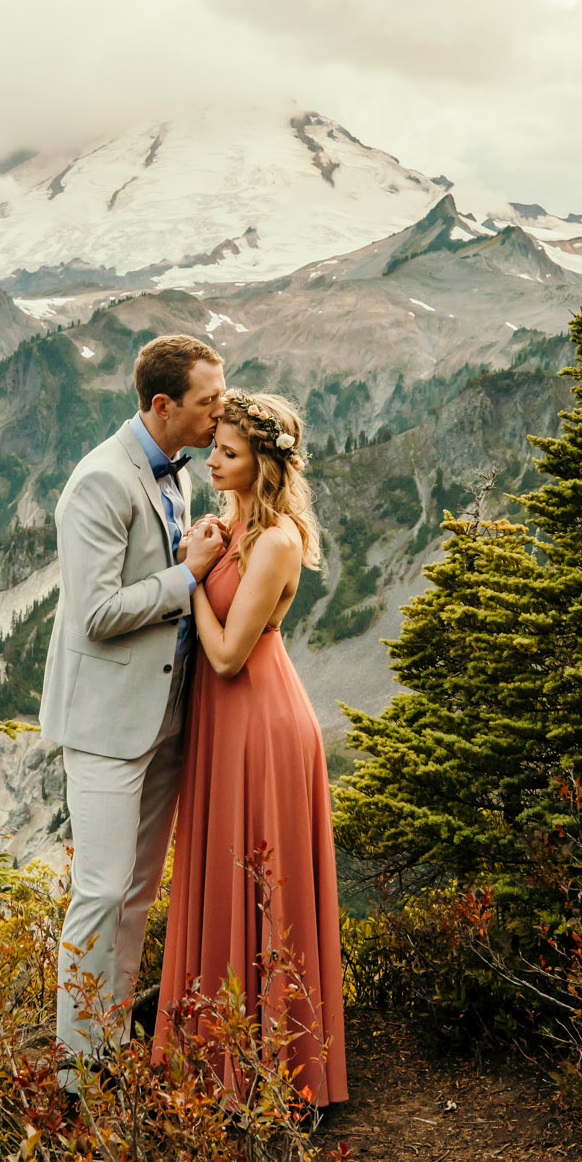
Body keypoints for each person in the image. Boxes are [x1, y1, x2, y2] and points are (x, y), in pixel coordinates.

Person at [40, 333, 228, 1088]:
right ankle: (76, 1077)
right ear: (161, 405)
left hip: (165, 716)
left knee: (137, 893)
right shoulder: (99, 481)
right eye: (208, 400)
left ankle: (110, 1043)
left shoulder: (170, 471)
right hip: (107, 724)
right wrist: (189, 574)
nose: (221, 410)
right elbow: (96, 614)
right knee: (101, 891)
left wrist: (194, 546)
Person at [153, 389, 347, 1109]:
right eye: (214, 448)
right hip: (219, 724)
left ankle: (280, 1068)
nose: (211, 460)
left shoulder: (276, 540)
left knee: (264, 888)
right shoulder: (233, 521)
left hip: (261, 724)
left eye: (228, 454)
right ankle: (219, 1059)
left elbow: (231, 654)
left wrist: (190, 578)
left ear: (264, 464)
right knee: (219, 876)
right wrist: (200, 559)